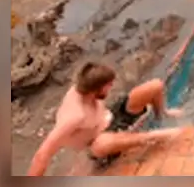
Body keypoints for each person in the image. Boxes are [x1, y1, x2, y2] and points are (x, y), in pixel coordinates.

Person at [27, 62, 182, 176]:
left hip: (115, 118)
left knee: (155, 85)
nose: (112, 86)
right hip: (101, 144)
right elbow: (43, 154)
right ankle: (153, 136)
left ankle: (163, 113)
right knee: (100, 145)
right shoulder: (74, 117)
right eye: (108, 85)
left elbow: (88, 71)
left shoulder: (83, 86)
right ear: (96, 90)